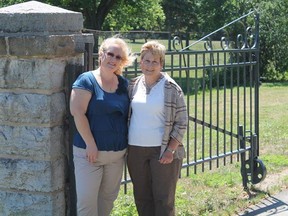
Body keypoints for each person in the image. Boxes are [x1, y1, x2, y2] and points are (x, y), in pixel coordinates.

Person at [70, 36, 134, 216]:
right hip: (89, 155)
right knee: (87, 206)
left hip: (116, 156)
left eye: (118, 57)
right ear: (101, 54)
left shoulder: (123, 84)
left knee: (106, 204)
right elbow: (77, 112)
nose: (113, 60)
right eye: (110, 54)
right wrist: (90, 143)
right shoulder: (86, 80)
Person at [127, 40, 188, 216]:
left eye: (155, 62)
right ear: (141, 62)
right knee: (142, 198)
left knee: (163, 200)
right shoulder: (133, 85)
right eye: (147, 60)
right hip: (136, 150)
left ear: (161, 64)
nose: (150, 65)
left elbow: (182, 121)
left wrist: (171, 149)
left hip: (161, 151)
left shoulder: (170, 87)